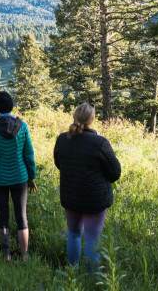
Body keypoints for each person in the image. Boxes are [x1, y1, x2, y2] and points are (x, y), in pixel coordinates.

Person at [54, 103, 121, 270]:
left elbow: (59, 163)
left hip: (70, 196)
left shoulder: (62, 139)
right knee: (92, 239)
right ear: (92, 119)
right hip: (95, 199)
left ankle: (72, 272)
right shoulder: (100, 142)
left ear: (75, 117)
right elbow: (115, 172)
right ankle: (92, 280)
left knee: (73, 234)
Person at [0, 91, 36, 262]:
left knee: (2, 217)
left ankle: (6, 255)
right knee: (22, 217)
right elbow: (28, 154)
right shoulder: (23, 127)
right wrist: (31, 177)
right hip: (20, 177)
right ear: (12, 106)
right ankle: (24, 256)